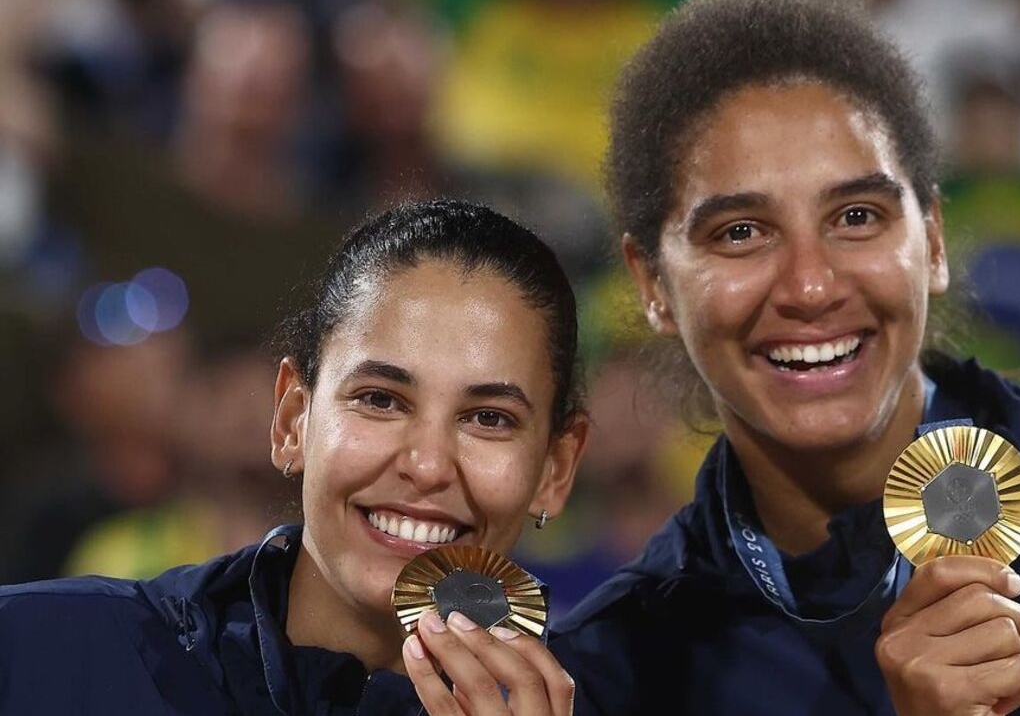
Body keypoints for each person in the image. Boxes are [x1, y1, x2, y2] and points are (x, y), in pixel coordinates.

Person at [548, 0, 1020, 714]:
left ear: (931, 239)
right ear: (652, 286)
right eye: (740, 232)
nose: (809, 284)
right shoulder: (621, 675)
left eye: (856, 216)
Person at [0, 200, 587, 716]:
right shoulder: (41, 658)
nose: (428, 466)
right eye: (380, 400)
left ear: (555, 470)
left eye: (489, 418)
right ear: (292, 421)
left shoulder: (617, 697)